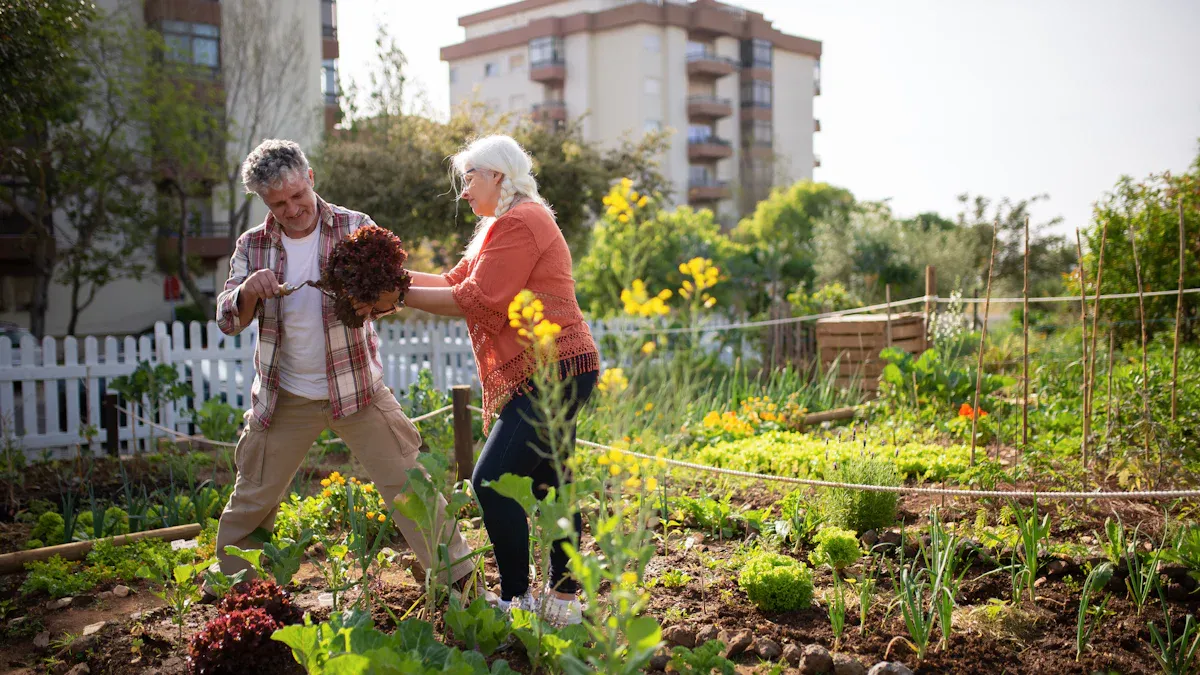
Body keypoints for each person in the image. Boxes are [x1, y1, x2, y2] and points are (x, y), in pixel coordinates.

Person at [211, 139, 474, 590]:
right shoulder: (252, 246)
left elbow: (392, 295)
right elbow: (227, 318)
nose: (292, 209)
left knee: (411, 485)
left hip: (358, 390)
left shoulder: (356, 227)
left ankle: (460, 583)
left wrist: (370, 298)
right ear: (263, 202)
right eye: (278, 204)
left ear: (310, 178)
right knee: (253, 496)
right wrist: (248, 291)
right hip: (285, 396)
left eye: (297, 195)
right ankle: (234, 593)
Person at [404, 135, 599, 626]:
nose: (464, 191)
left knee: (490, 483)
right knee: (555, 484)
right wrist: (391, 279)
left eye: (469, 179)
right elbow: (454, 283)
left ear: (496, 175)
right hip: (558, 367)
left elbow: (480, 297)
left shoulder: (523, 220)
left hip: (553, 369)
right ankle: (563, 602)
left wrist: (396, 293)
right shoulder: (502, 225)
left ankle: (518, 599)